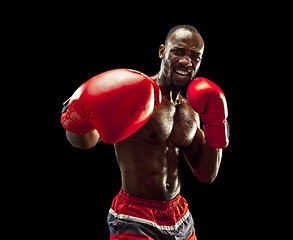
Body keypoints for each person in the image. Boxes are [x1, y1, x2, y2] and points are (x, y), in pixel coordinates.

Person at [61, 25, 229, 240]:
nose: (187, 62)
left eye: (195, 56)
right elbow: (83, 142)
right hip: (135, 216)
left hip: (179, 215)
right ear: (162, 51)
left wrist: (217, 125)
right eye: (178, 51)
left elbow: (207, 174)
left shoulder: (190, 110)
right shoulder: (135, 96)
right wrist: (76, 116)